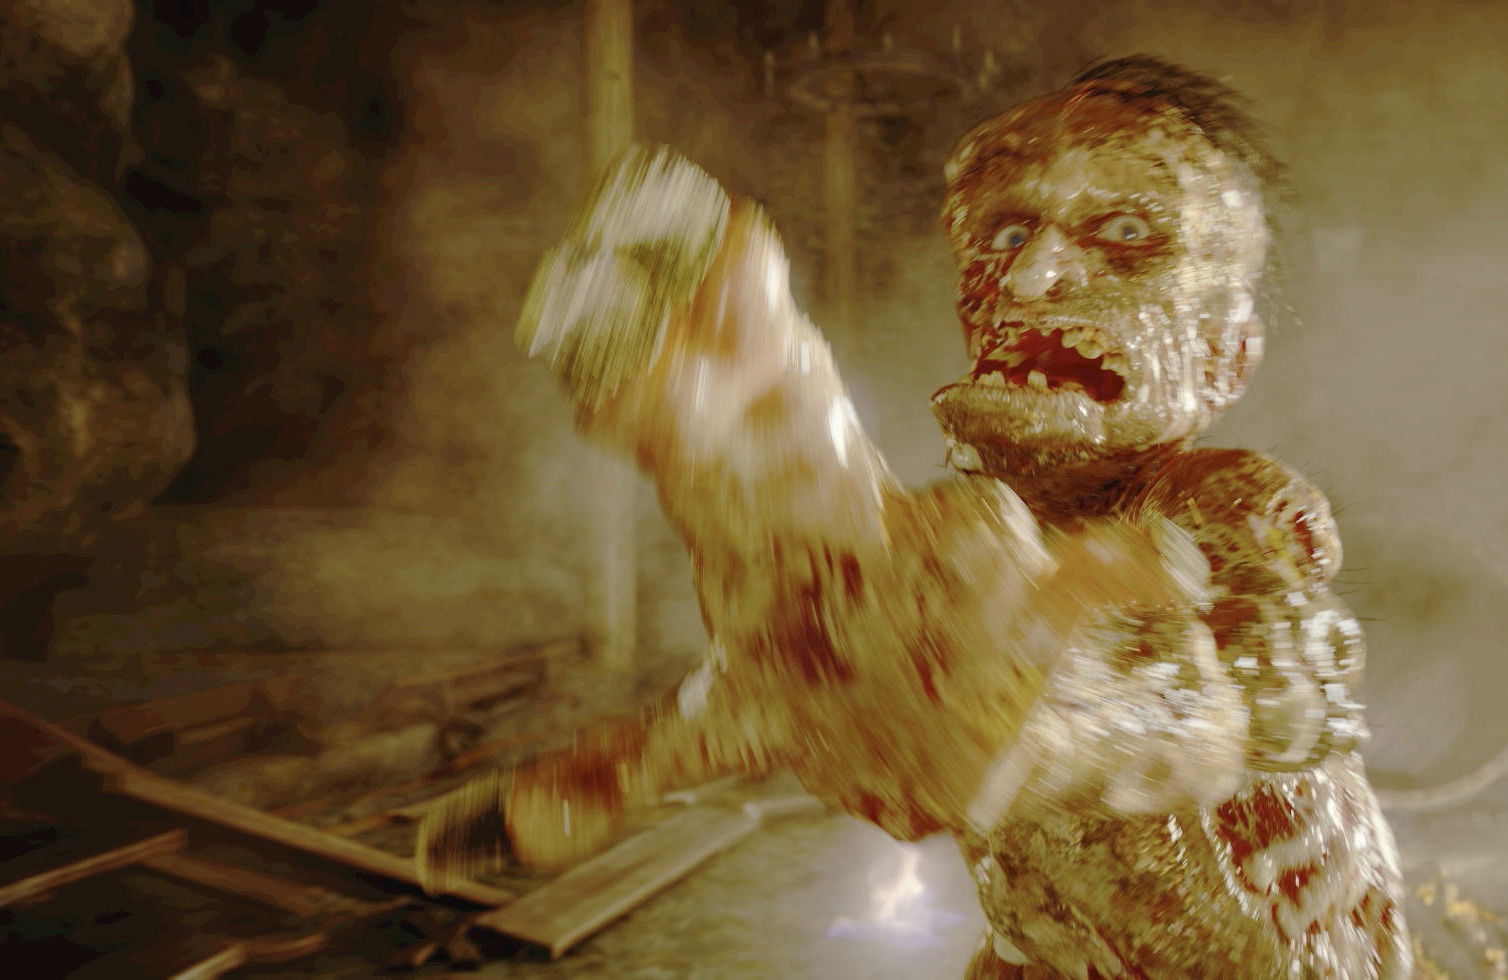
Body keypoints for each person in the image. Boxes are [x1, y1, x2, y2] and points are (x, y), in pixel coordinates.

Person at [420, 55, 1412, 978]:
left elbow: (1279, 681)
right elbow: (807, 677)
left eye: (1123, 237)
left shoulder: (1218, 502)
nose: (1028, 279)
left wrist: (1083, 700)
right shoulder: (961, 550)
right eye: (1005, 233)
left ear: (1224, 359)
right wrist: (612, 769)